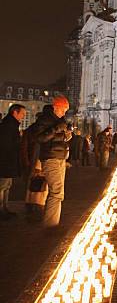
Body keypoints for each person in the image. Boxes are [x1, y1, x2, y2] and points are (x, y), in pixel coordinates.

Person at [32, 96, 71, 230]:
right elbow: (40, 138)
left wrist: (66, 135)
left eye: (66, 111)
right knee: (56, 191)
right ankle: (50, 225)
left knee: (59, 193)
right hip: (50, 158)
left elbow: (57, 138)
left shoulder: (60, 120)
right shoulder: (44, 119)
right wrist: (56, 129)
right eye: (63, 110)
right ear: (55, 107)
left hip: (60, 157)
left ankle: (54, 222)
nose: (64, 113)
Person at [0, 104, 26, 219]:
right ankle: (1, 210)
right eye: (22, 114)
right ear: (15, 112)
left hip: (8, 161)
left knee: (7, 185)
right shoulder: (8, 126)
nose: (23, 116)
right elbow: (6, 145)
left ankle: (4, 208)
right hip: (5, 161)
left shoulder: (11, 125)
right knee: (2, 186)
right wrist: (19, 140)